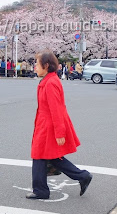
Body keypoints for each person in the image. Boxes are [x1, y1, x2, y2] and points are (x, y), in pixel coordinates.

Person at [26, 51, 92, 200]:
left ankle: (40, 190)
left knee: (39, 155)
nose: (35, 66)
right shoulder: (50, 80)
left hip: (48, 126)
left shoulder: (50, 83)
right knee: (51, 156)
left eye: (37, 63)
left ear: (46, 65)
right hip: (45, 124)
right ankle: (82, 176)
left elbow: (57, 110)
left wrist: (60, 133)